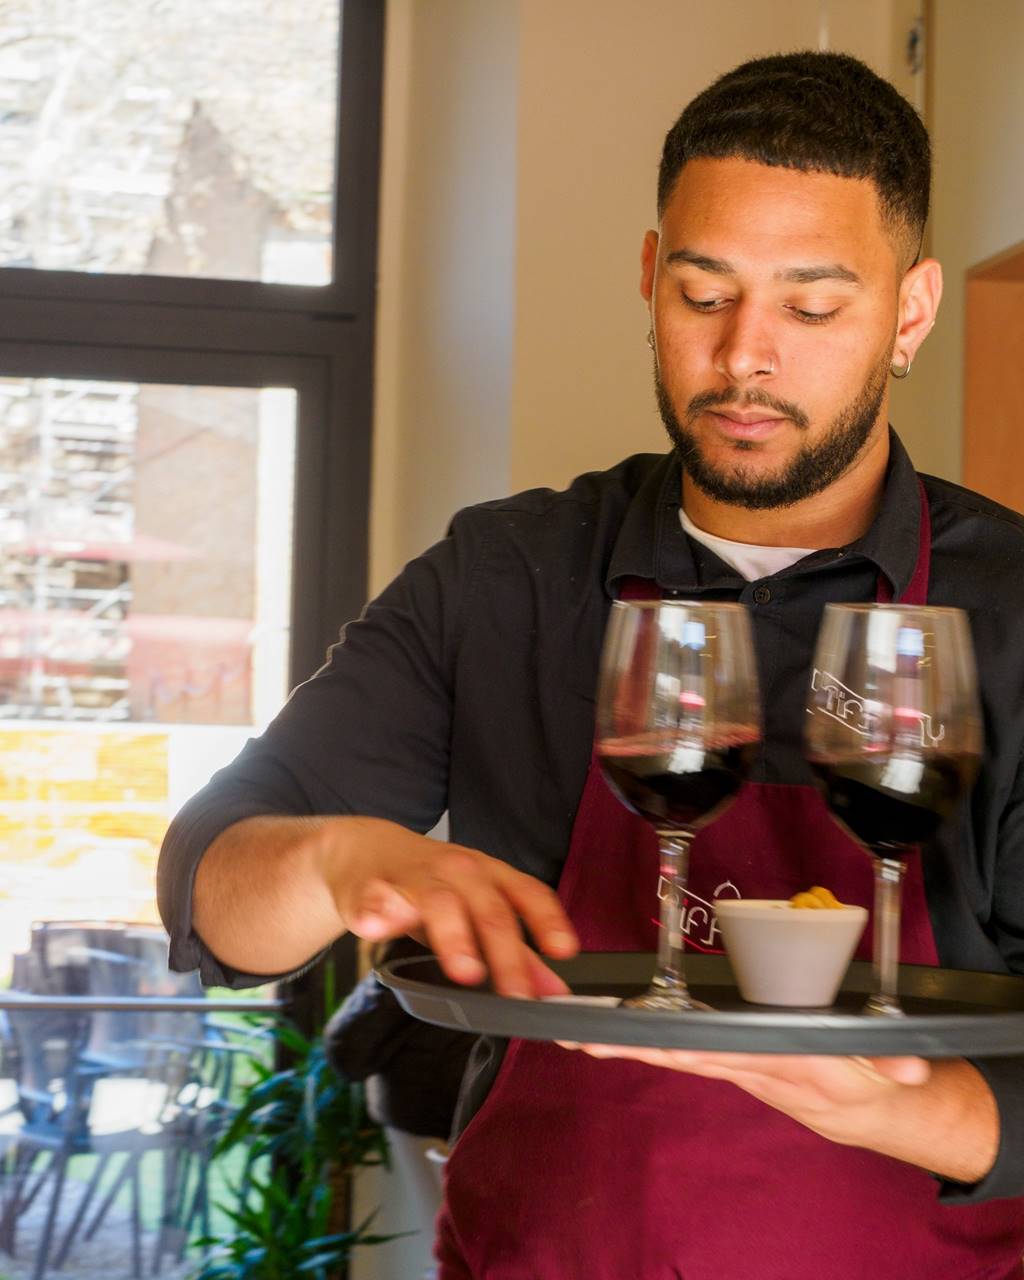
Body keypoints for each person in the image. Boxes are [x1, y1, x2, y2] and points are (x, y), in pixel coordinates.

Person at [158, 50, 1024, 1279]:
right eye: (701, 292)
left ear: (911, 312)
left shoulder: (1015, 608)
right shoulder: (505, 574)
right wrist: (336, 855)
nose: (743, 357)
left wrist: (898, 1107)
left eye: (813, 307)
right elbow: (216, 896)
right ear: (645, 277)